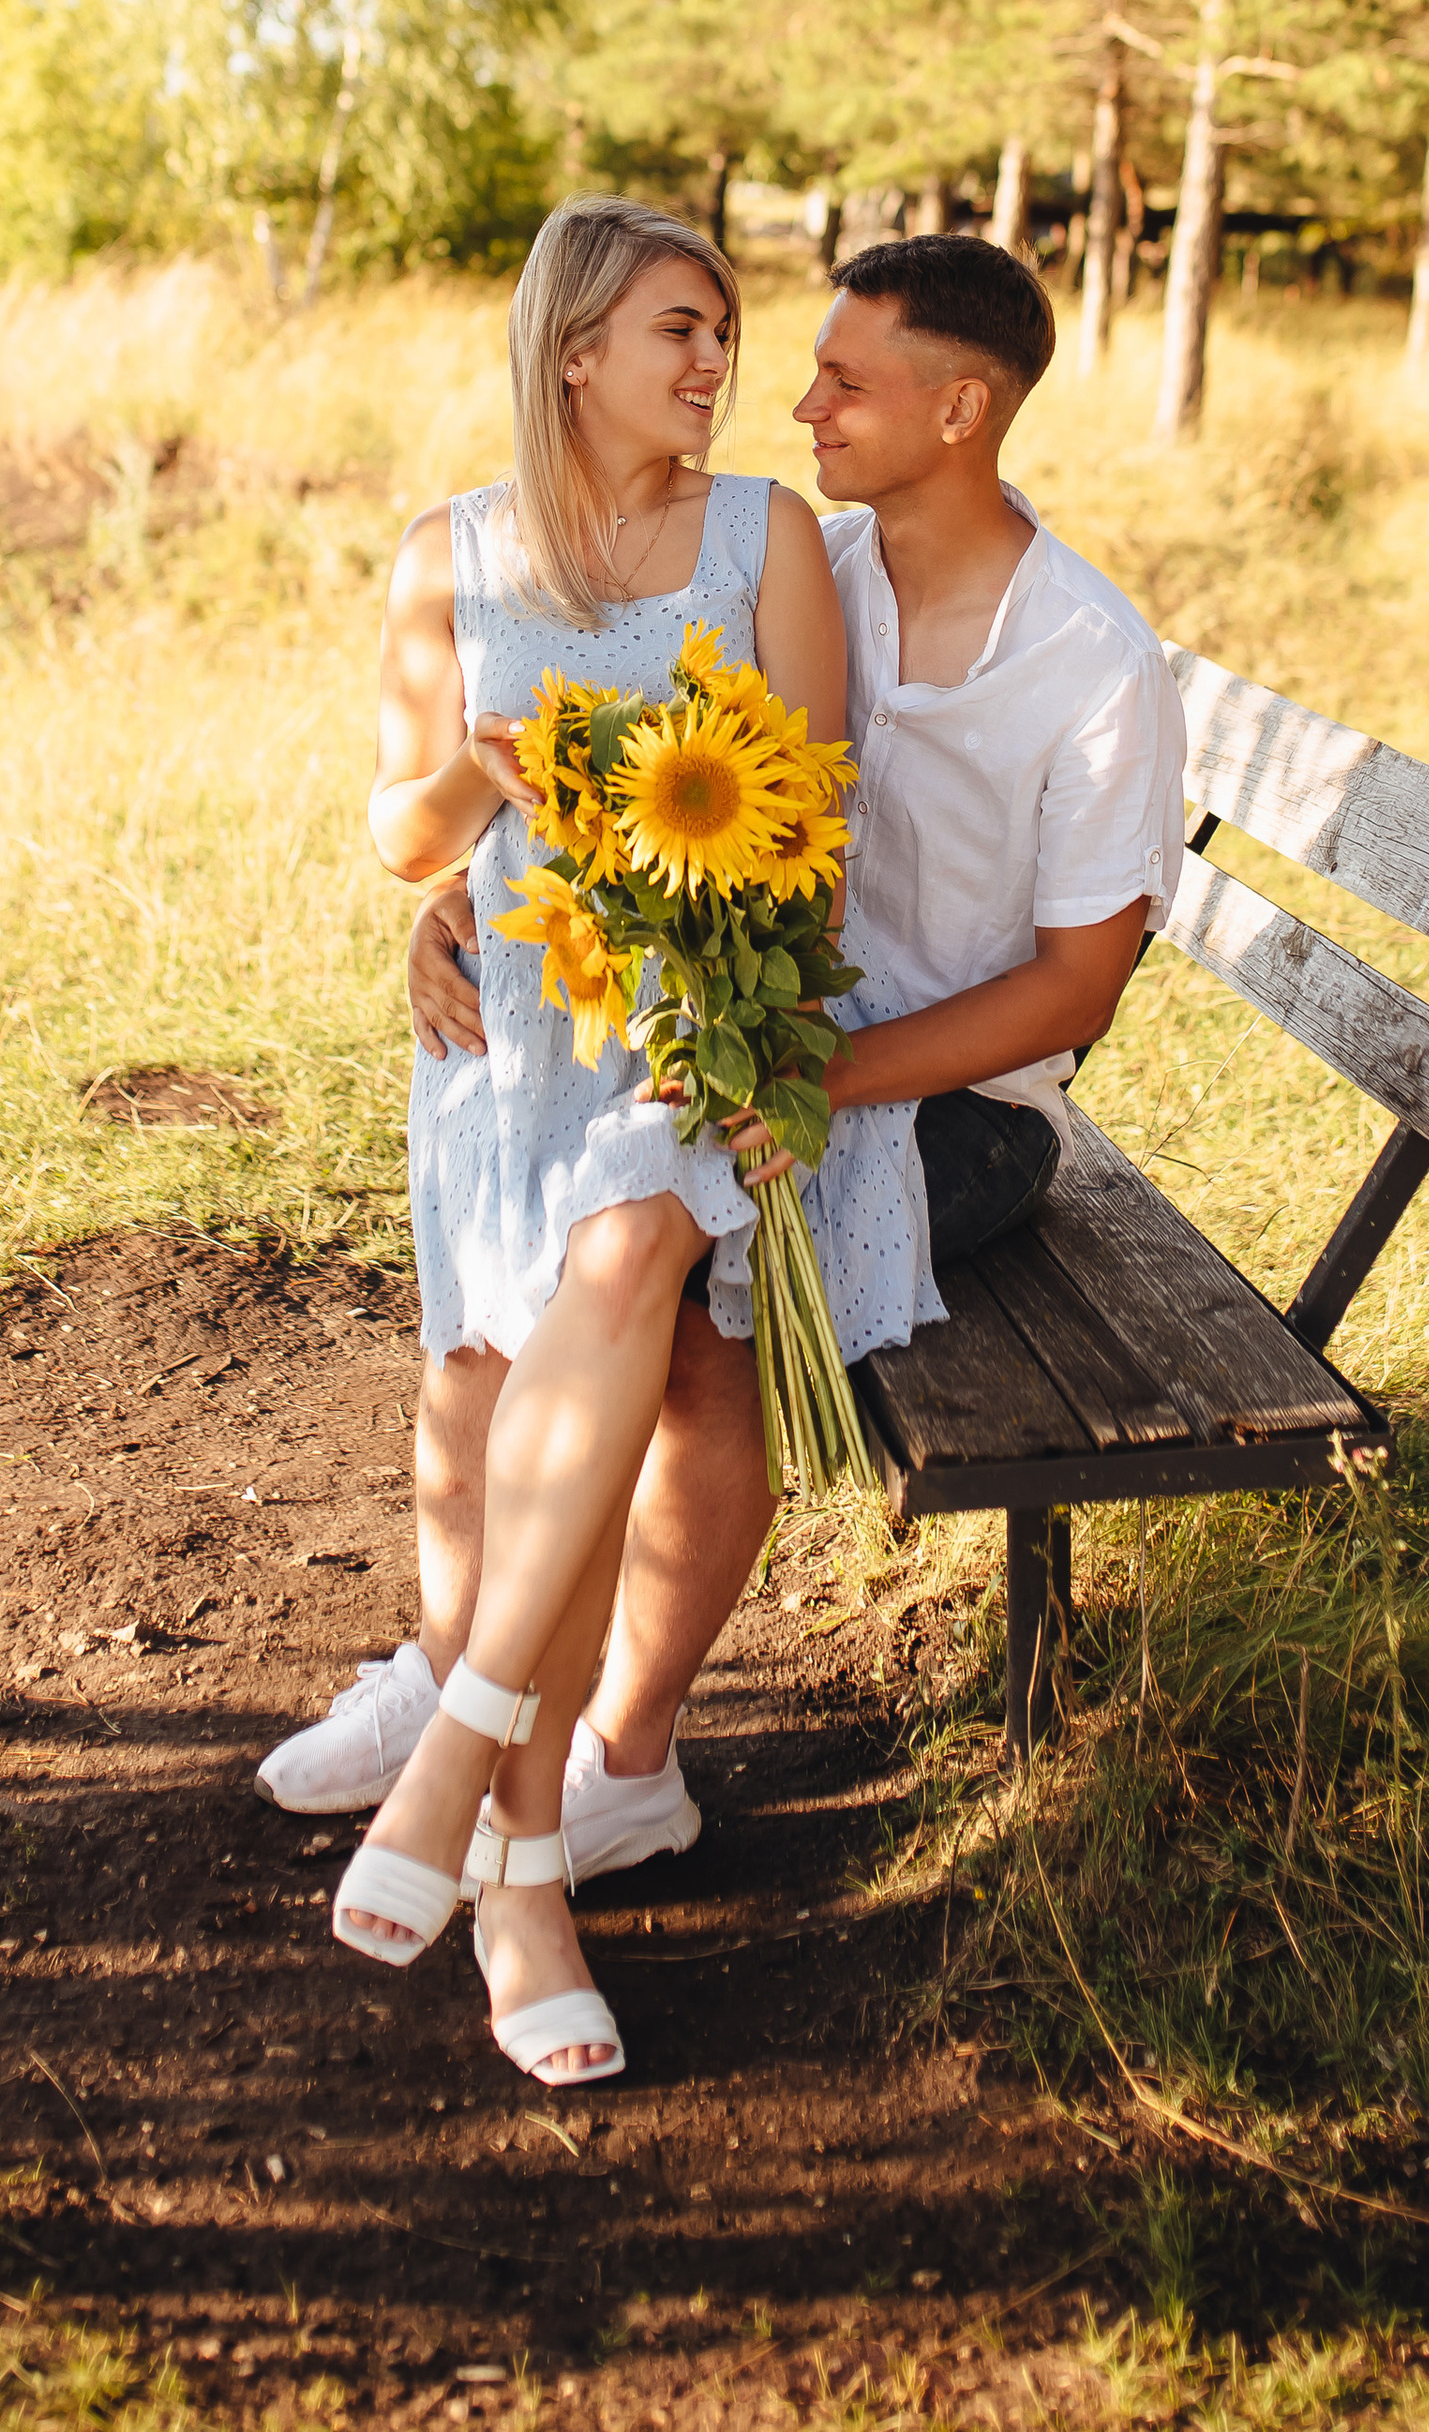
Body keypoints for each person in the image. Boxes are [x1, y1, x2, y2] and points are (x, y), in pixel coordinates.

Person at [261, 232, 1186, 1893]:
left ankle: (598, 1749)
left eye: (841, 379)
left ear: (959, 413)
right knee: (543, 1291)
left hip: (931, 1100)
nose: (790, 399)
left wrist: (802, 1077)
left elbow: (1073, 995)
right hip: (714, 1034)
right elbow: (574, 774)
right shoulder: (822, 550)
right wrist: (460, 902)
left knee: (665, 1311)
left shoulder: (1089, 662)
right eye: (785, 361)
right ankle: (471, 1680)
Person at [323, 198, 936, 2088]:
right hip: (515, 1032)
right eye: (681, 329)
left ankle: (473, 1769)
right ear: (573, 349)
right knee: (506, 1385)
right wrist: (481, 777)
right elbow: (404, 837)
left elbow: (813, 830)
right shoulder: (449, 554)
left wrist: (734, 1013)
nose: (716, 365)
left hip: (711, 1039)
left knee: (621, 1256)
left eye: (724, 333)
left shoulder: (769, 540)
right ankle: (513, 1848)